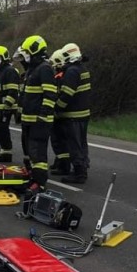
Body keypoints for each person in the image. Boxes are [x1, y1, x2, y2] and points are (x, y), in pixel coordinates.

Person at [15, 35, 57, 195]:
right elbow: (26, 95)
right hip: (28, 120)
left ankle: (40, 182)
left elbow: (50, 93)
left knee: (37, 151)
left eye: (26, 52)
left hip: (39, 121)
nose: (24, 55)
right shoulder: (32, 70)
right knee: (28, 151)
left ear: (34, 51)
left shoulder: (44, 69)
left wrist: (43, 114)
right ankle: (33, 177)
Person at [54, 43, 92, 184]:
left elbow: (67, 94)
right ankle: (82, 168)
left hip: (73, 116)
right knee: (81, 143)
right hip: (83, 114)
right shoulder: (82, 69)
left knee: (74, 145)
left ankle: (79, 173)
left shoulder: (71, 72)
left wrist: (56, 109)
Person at [48, 49, 71, 175]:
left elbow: (58, 94)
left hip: (59, 114)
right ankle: (60, 162)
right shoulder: (62, 76)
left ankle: (64, 165)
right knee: (59, 140)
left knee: (59, 140)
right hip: (60, 113)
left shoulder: (60, 77)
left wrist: (55, 108)